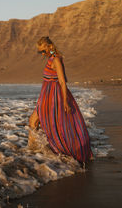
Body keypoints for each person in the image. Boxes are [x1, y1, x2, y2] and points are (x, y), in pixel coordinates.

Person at [27, 36, 93, 164]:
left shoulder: (56, 60)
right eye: (39, 52)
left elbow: (62, 82)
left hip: (53, 98)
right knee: (33, 121)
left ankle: (43, 151)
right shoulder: (51, 59)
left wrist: (65, 101)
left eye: (43, 51)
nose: (42, 54)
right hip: (45, 97)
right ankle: (35, 150)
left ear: (50, 47)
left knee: (52, 125)